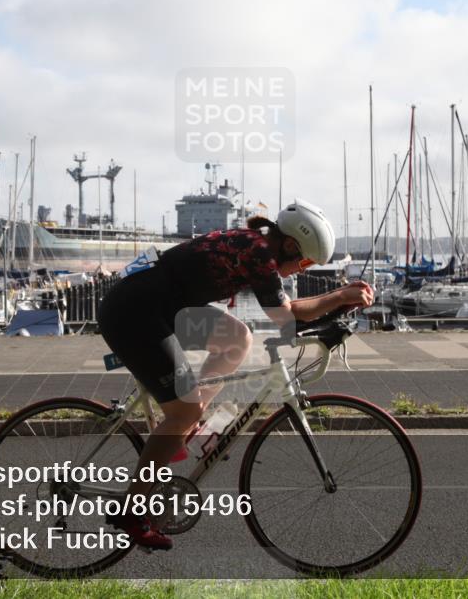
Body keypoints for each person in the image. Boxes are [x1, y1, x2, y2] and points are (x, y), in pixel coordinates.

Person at [97, 199, 374, 549]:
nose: (302, 270)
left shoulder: (257, 244)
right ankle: (131, 510)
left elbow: (288, 317)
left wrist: (341, 299)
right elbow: (285, 317)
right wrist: (339, 297)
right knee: (184, 410)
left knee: (237, 338)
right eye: (304, 261)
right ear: (289, 244)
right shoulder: (257, 252)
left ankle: (186, 427)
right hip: (135, 310)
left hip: (162, 306)